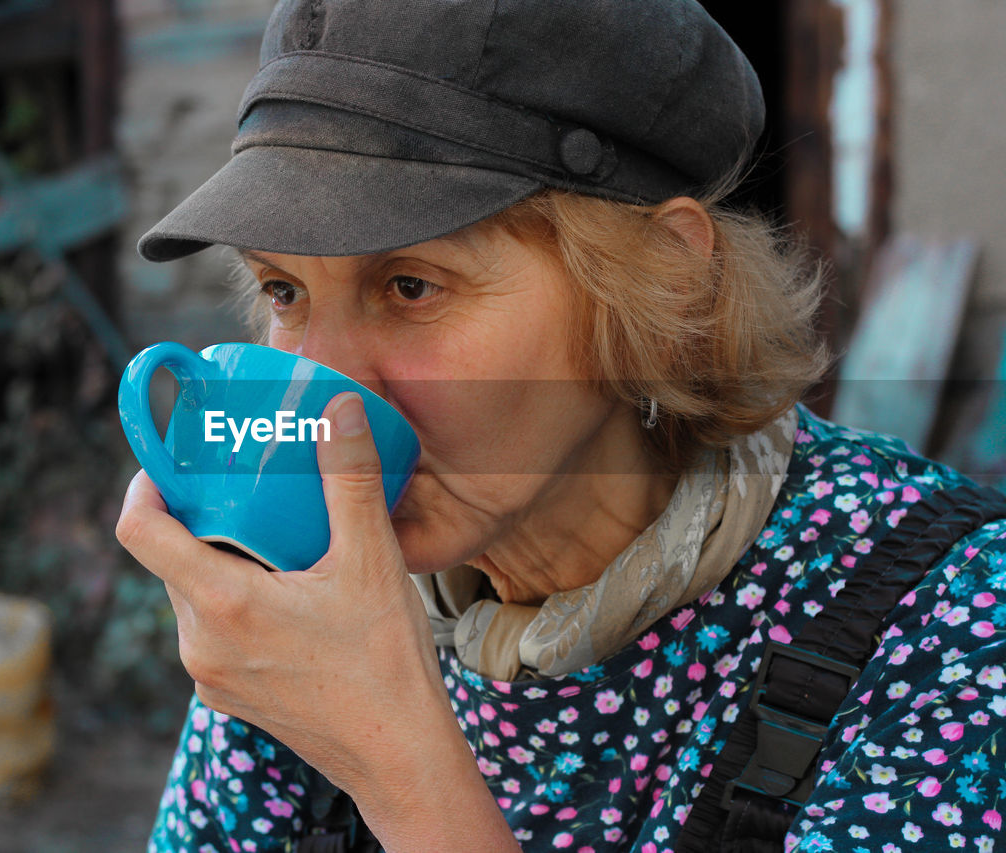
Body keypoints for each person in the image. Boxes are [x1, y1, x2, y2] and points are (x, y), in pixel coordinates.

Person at [115, 1, 1006, 851]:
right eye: (284, 289)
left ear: (661, 286)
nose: (319, 393)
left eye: (411, 286)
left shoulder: (951, 629)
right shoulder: (307, 616)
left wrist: (396, 760)